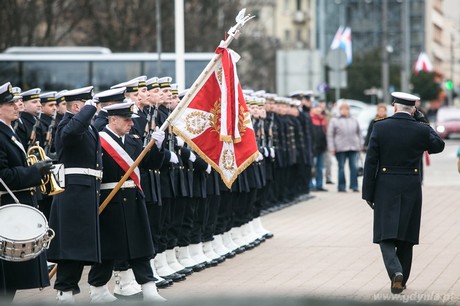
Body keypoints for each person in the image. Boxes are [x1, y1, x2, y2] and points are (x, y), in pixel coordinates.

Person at [362, 92, 445, 294]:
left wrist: (368, 193)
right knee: (406, 236)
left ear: (395, 107)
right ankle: (402, 279)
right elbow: (438, 146)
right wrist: (424, 122)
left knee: (385, 235)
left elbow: (371, 161)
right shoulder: (420, 129)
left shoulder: (380, 127)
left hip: (385, 184)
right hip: (411, 184)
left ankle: (395, 272)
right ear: (413, 110)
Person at [87, 101, 166, 303]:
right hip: (108, 199)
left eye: (131, 119)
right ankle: (98, 290)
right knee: (107, 250)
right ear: (113, 120)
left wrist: (157, 147)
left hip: (132, 200)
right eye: (127, 119)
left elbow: (151, 164)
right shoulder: (97, 140)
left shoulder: (132, 141)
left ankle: (149, 289)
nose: (131, 124)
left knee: (140, 247)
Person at [46, 86, 103, 303]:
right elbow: (71, 132)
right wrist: (87, 110)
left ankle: (69, 290)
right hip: (73, 194)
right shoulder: (65, 126)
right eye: (89, 106)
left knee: (80, 247)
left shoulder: (86, 127)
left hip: (85, 192)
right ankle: (65, 292)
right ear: (78, 107)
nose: (94, 110)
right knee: (71, 246)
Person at [0, 82, 54, 303]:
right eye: (10, 103)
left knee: (11, 277)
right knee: (5, 276)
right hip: (7, 208)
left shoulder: (8, 130)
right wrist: (35, 171)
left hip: (17, 206)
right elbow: (4, 176)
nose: (17, 107)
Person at [327, 102, 362, 192]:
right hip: (340, 148)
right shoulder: (334, 120)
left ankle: (354, 186)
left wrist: (359, 145)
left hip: (353, 147)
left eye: (346, 109)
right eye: (342, 109)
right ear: (339, 110)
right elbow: (330, 135)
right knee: (341, 167)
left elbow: (359, 133)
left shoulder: (354, 119)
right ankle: (341, 186)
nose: (345, 111)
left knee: (354, 167)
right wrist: (332, 148)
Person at [310, 100, 328, 191]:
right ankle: (311, 185)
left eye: (319, 107)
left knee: (320, 167)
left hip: (321, 147)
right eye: (316, 107)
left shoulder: (322, 119)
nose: (318, 109)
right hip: (313, 147)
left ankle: (319, 185)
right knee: (312, 167)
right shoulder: (310, 119)